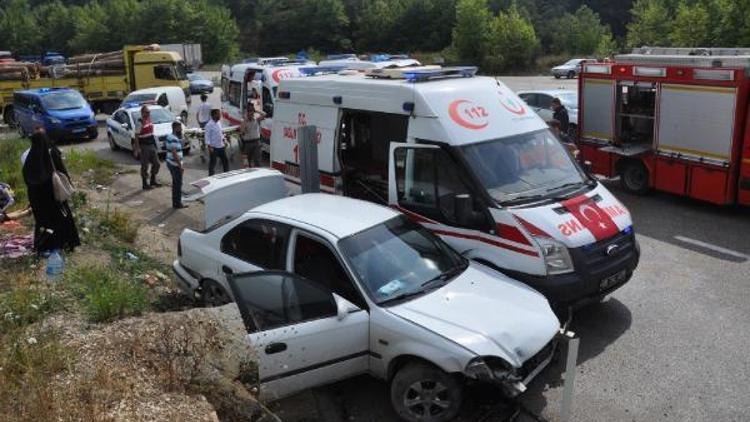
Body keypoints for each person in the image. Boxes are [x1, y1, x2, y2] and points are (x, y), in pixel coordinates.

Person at [22, 130, 81, 253]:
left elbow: (28, 182)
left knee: (43, 222)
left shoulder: (29, 159)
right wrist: (69, 183)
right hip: (54, 197)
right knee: (62, 219)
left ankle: (44, 246)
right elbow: (61, 170)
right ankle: (66, 244)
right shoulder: (50, 155)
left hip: (38, 201)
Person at [134, 105, 161, 190]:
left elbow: (151, 133)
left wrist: (155, 145)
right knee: (145, 166)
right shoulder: (139, 122)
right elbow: (136, 136)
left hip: (151, 144)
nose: (149, 113)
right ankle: (145, 184)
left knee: (157, 163)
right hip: (144, 146)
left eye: (149, 112)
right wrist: (138, 148)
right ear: (142, 113)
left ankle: (153, 180)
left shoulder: (149, 120)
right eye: (147, 112)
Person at [164, 121, 187, 209]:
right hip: (175, 164)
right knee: (178, 184)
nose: (181, 129)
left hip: (171, 163)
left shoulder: (170, 137)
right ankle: (178, 203)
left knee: (175, 183)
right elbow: (174, 153)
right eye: (179, 127)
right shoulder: (173, 138)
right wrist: (180, 166)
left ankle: (176, 202)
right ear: (175, 128)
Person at [205, 108, 229, 176]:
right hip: (214, 148)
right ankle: (211, 176)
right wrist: (209, 147)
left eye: (220, 114)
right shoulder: (209, 125)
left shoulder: (219, 123)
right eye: (218, 114)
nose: (220, 115)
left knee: (225, 161)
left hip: (221, 146)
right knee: (213, 163)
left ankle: (226, 174)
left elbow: (220, 133)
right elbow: (207, 137)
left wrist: (224, 140)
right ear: (213, 115)